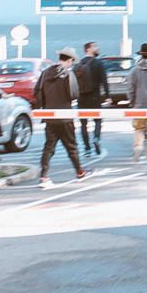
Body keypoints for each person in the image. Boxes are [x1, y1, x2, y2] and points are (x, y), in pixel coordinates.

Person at [34, 46, 92, 189]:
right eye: (72, 62)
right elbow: (73, 94)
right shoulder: (68, 74)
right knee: (71, 146)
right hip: (65, 115)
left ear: (59, 59)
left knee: (49, 147)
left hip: (49, 116)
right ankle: (79, 172)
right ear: (70, 60)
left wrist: (45, 107)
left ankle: (44, 176)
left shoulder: (45, 73)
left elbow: (37, 92)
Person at [77, 41, 110, 156]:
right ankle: (96, 138)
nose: (98, 47)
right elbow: (104, 82)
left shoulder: (78, 64)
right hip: (95, 97)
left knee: (83, 124)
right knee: (97, 120)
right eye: (95, 46)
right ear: (88, 49)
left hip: (81, 98)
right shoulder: (98, 64)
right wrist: (107, 96)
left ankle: (87, 148)